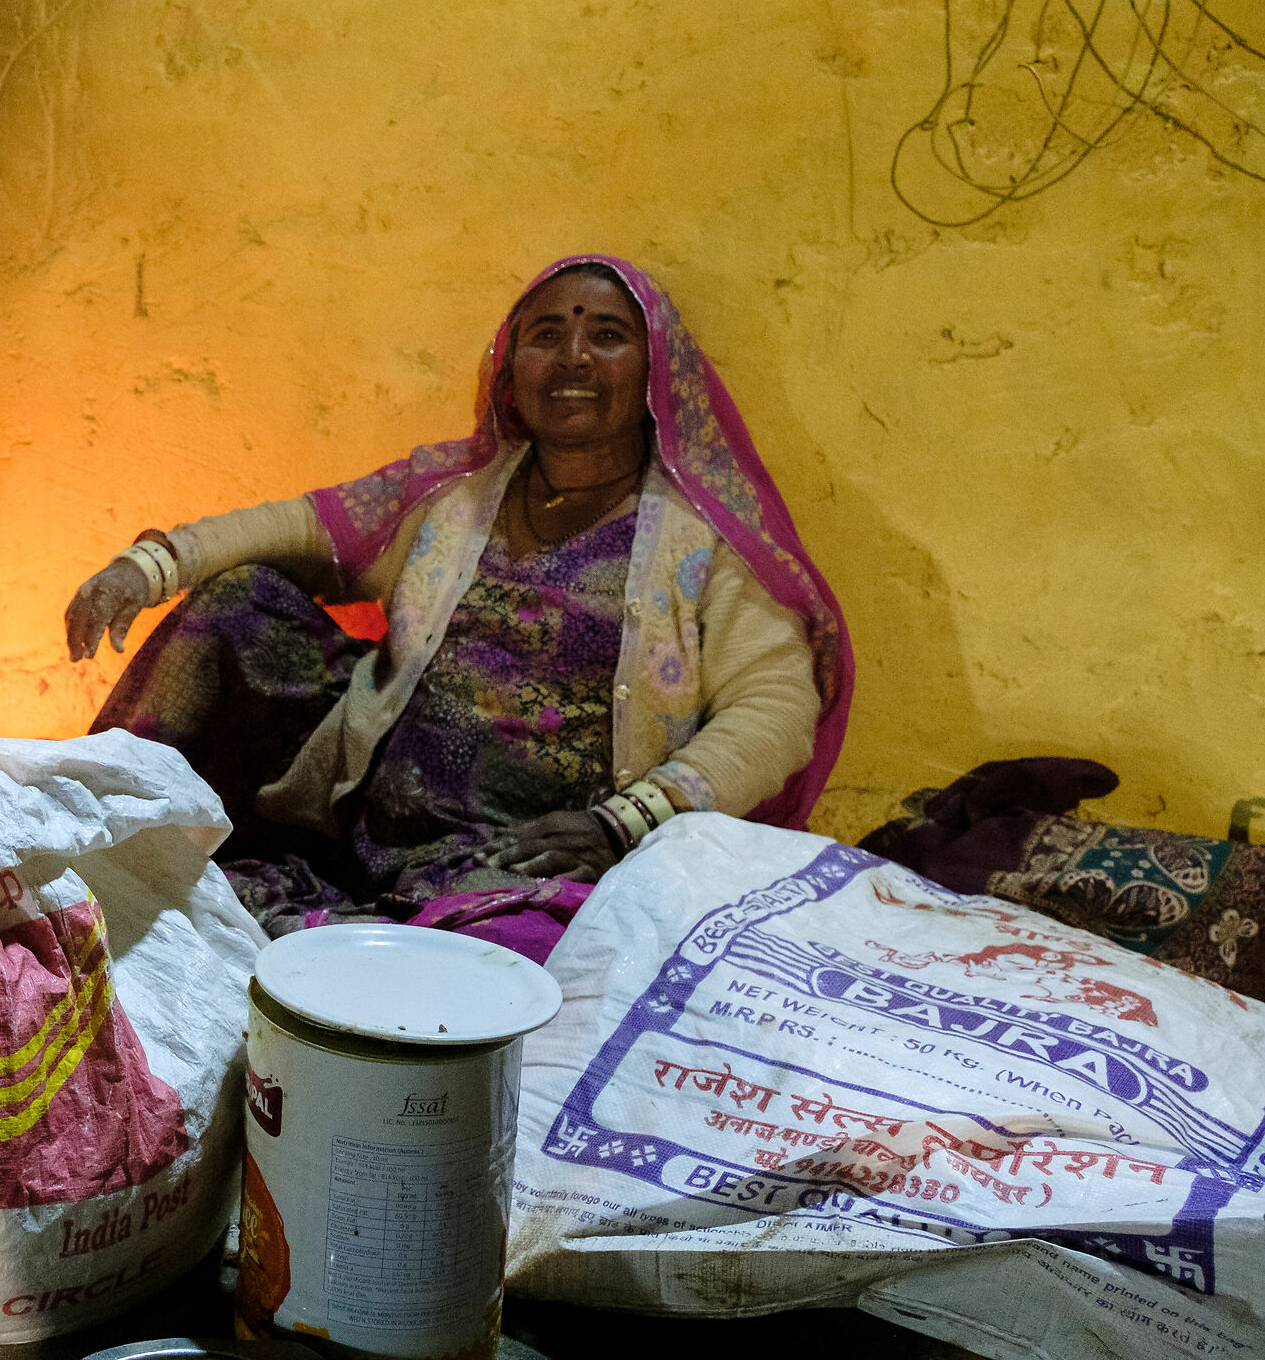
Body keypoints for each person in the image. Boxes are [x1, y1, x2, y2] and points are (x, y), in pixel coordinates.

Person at [66, 255, 851, 940]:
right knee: (240, 603)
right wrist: (154, 564)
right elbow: (309, 528)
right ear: (509, 369)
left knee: (497, 960)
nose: (573, 356)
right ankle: (80, 847)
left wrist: (624, 823)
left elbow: (778, 707)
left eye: (607, 335)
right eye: (546, 334)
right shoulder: (453, 494)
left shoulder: (706, 541)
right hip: (364, 814)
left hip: (526, 856)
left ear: (656, 374)